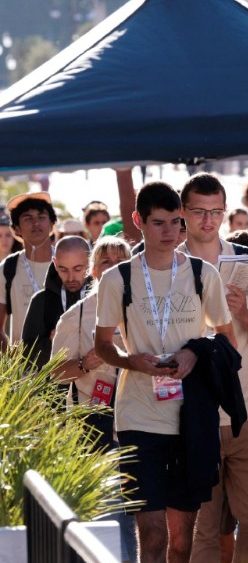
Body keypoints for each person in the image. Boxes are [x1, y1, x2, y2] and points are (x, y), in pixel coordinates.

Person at [95, 181, 235, 562]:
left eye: (176, 222)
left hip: (191, 417)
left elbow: (227, 342)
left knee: (181, 540)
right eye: (159, 222)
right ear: (138, 220)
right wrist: (130, 360)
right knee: (153, 535)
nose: (170, 231)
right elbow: (102, 345)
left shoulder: (203, 274)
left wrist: (194, 352)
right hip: (138, 416)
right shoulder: (117, 278)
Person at [177, 174, 248, 561]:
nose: (208, 220)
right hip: (192, 413)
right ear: (183, 213)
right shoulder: (166, 265)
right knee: (203, 530)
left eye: (216, 212)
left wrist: (243, 312)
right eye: (199, 212)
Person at [50, 236, 135, 560]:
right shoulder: (77, 316)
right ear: (93, 271)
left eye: (119, 261)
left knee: (146, 511)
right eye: (105, 262)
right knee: (112, 511)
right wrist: (86, 362)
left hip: (146, 416)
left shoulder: (148, 307)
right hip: (94, 421)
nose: (113, 268)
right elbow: (54, 374)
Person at [22, 235, 92, 366]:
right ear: (55, 263)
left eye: (78, 269)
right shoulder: (41, 301)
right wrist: (54, 342)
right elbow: (27, 355)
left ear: (90, 262)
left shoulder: (102, 297)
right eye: (63, 269)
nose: (70, 278)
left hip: (96, 384)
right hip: (53, 384)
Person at [0, 192, 57, 348]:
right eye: (28, 219)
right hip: (25, 370)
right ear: (16, 229)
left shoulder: (67, 262)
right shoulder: (7, 269)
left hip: (69, 366)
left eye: (41, 217)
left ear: (52, 224)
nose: (36, 223)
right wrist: (13, 361)